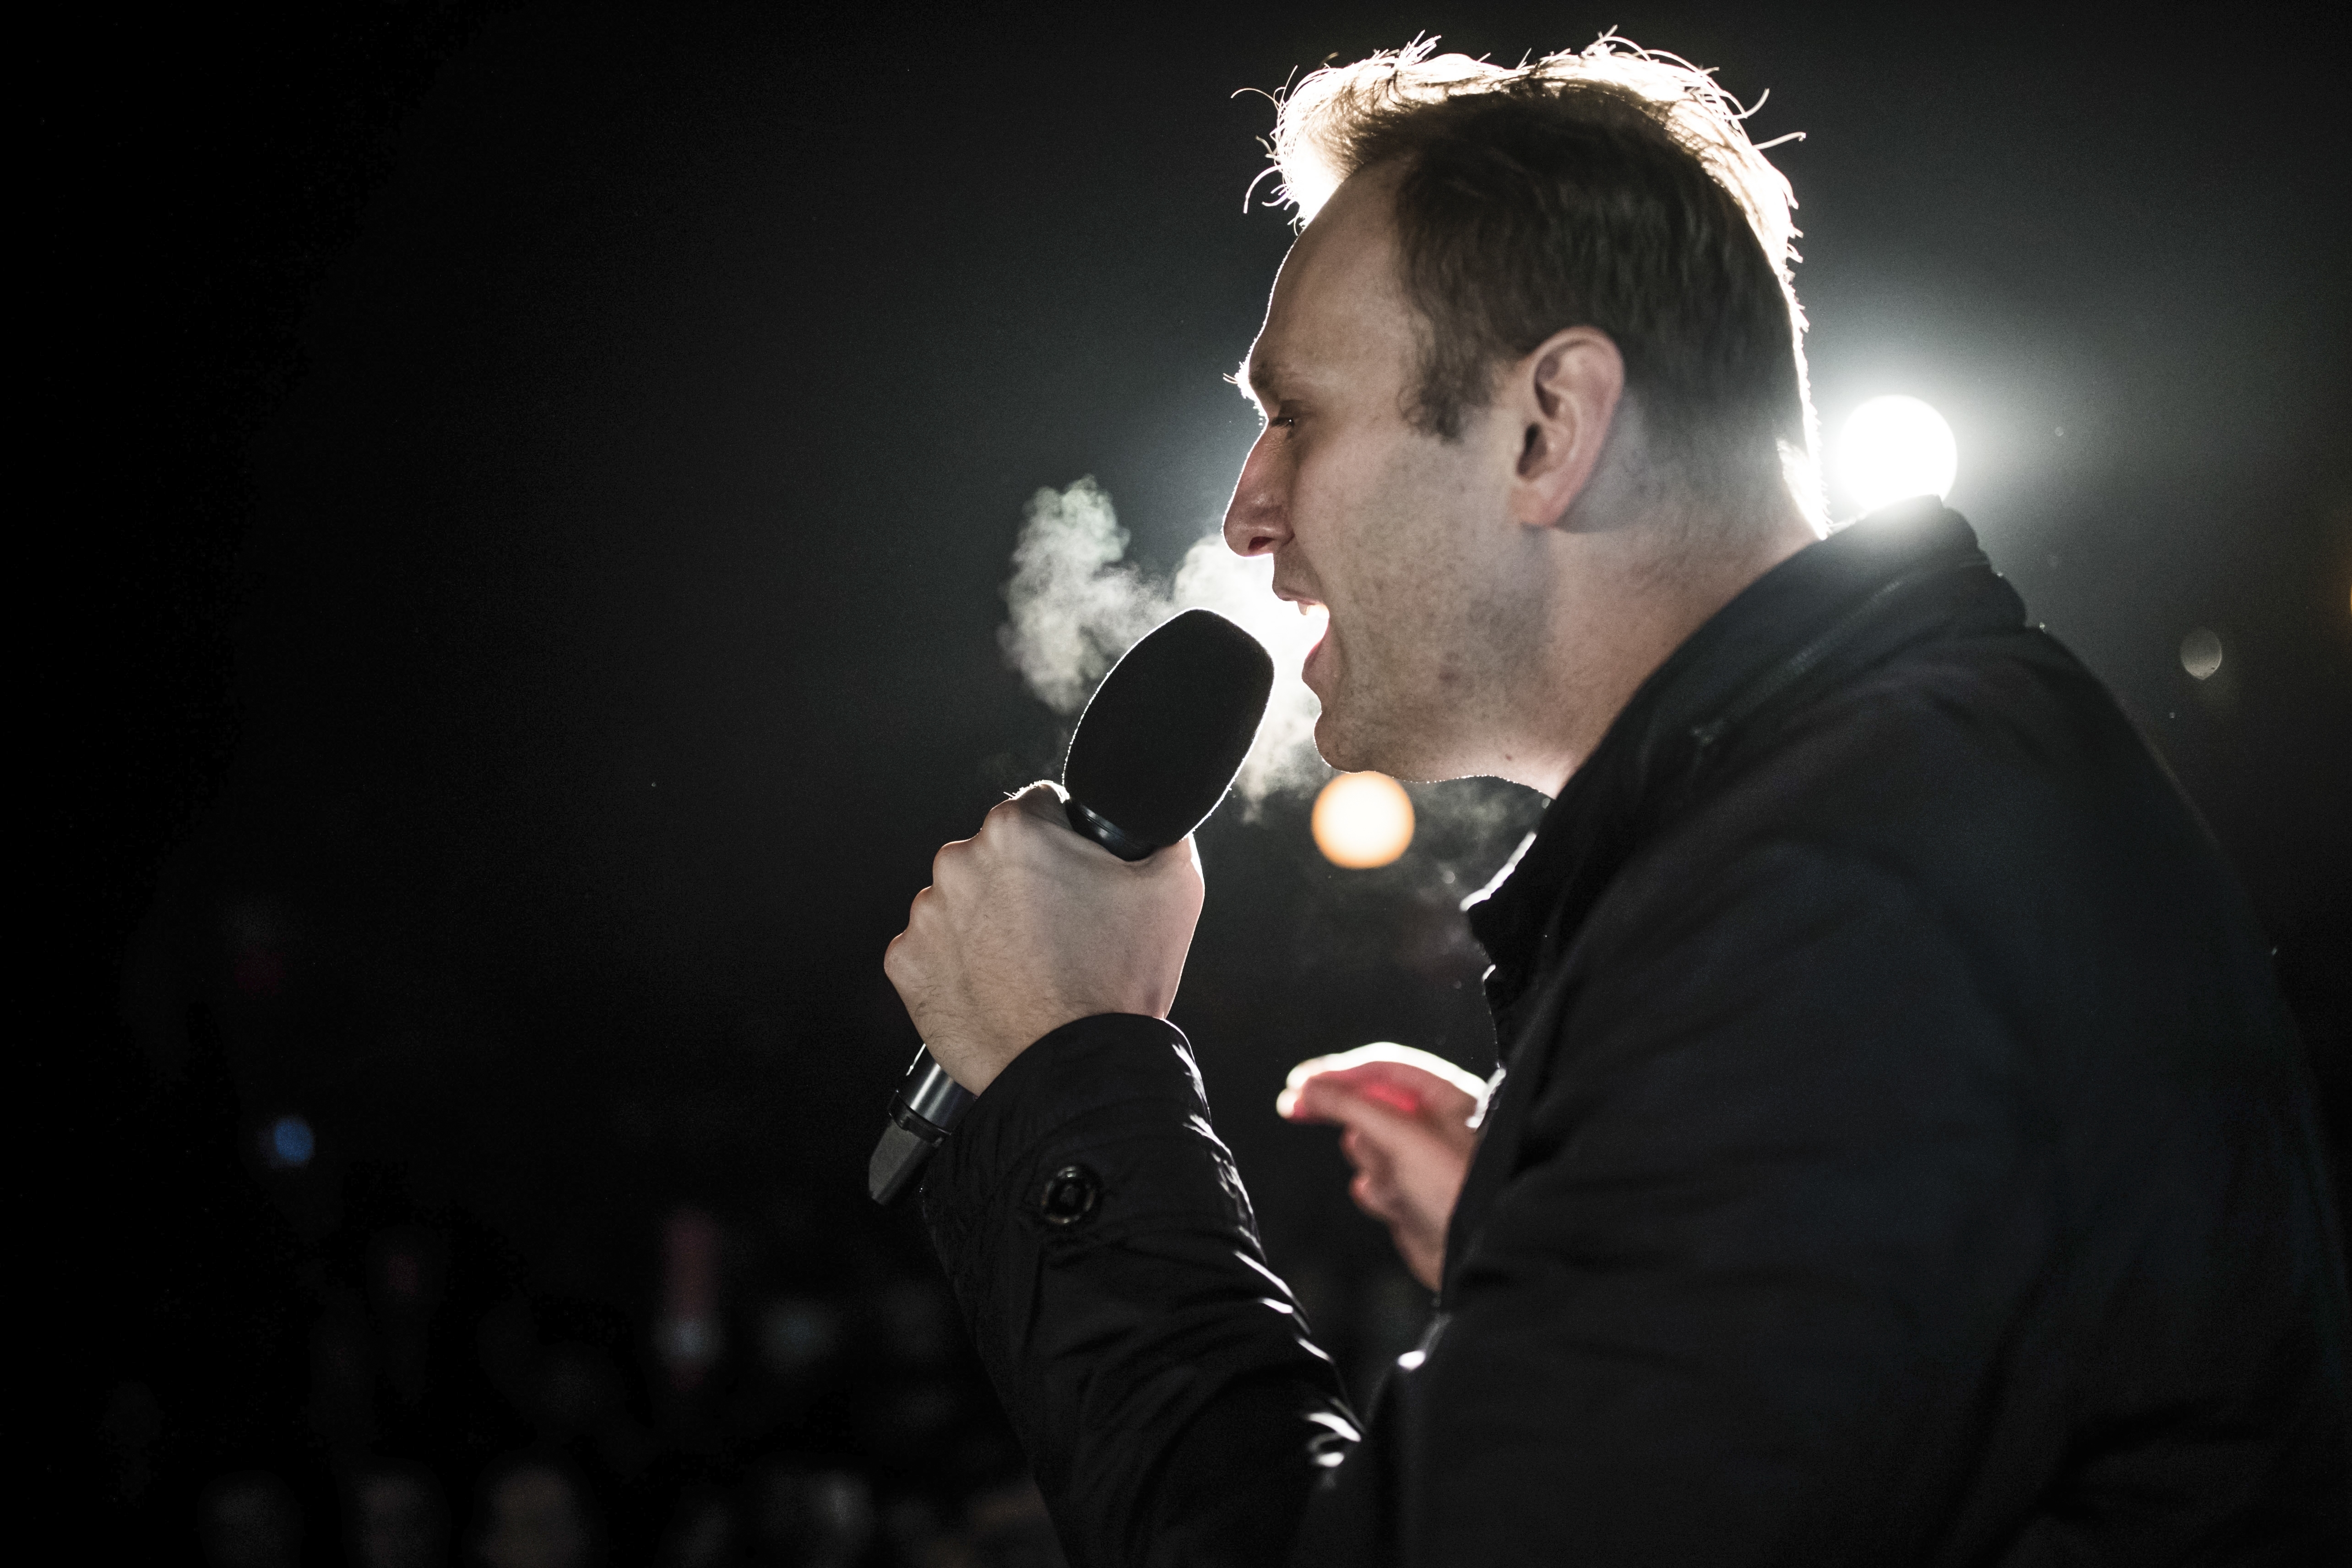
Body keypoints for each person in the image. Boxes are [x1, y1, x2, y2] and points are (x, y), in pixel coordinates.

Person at [879, 38, 2351, 1566]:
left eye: (1298, 414)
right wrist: (1591, 1234)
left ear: (1548, 425)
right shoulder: (1894, 814)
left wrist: (1072, 1077)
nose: (1250, 513)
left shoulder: (1841, 915)